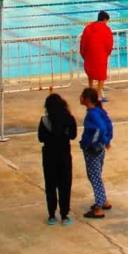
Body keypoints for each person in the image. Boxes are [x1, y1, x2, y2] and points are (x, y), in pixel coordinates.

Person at [37, 92, 76, 226]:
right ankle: (64, 215)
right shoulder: (69, 119)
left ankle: (52, 215)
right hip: (64, 156)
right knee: (65, 185)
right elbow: (73, 136)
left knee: (50, 185)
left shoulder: (44, 121)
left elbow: (40, 138)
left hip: (49, 156)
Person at [79, 87, 113, 219]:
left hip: (93, 149)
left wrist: (91, 143)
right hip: (100, 148)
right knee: (96, 174)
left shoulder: (92, 114)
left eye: (82, 96)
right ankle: (103, 200)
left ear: (87, 99)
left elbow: (100, 128)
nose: (80, 98)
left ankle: (99, 207)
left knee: (94, 176)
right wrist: (107, 139)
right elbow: (108, 125)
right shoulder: (99, 111)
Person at [80, 10, 114, 101]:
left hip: (89, 55)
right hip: (101, 55)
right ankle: (99, 95)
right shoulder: (106, 29)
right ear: (104, 19)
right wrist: (107, 53)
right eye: (107, 21)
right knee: (101, 75)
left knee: (90, 73)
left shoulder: (88, 27)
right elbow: (109, 43)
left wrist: (83, 54)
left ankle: (90, 91)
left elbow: (83, 42)